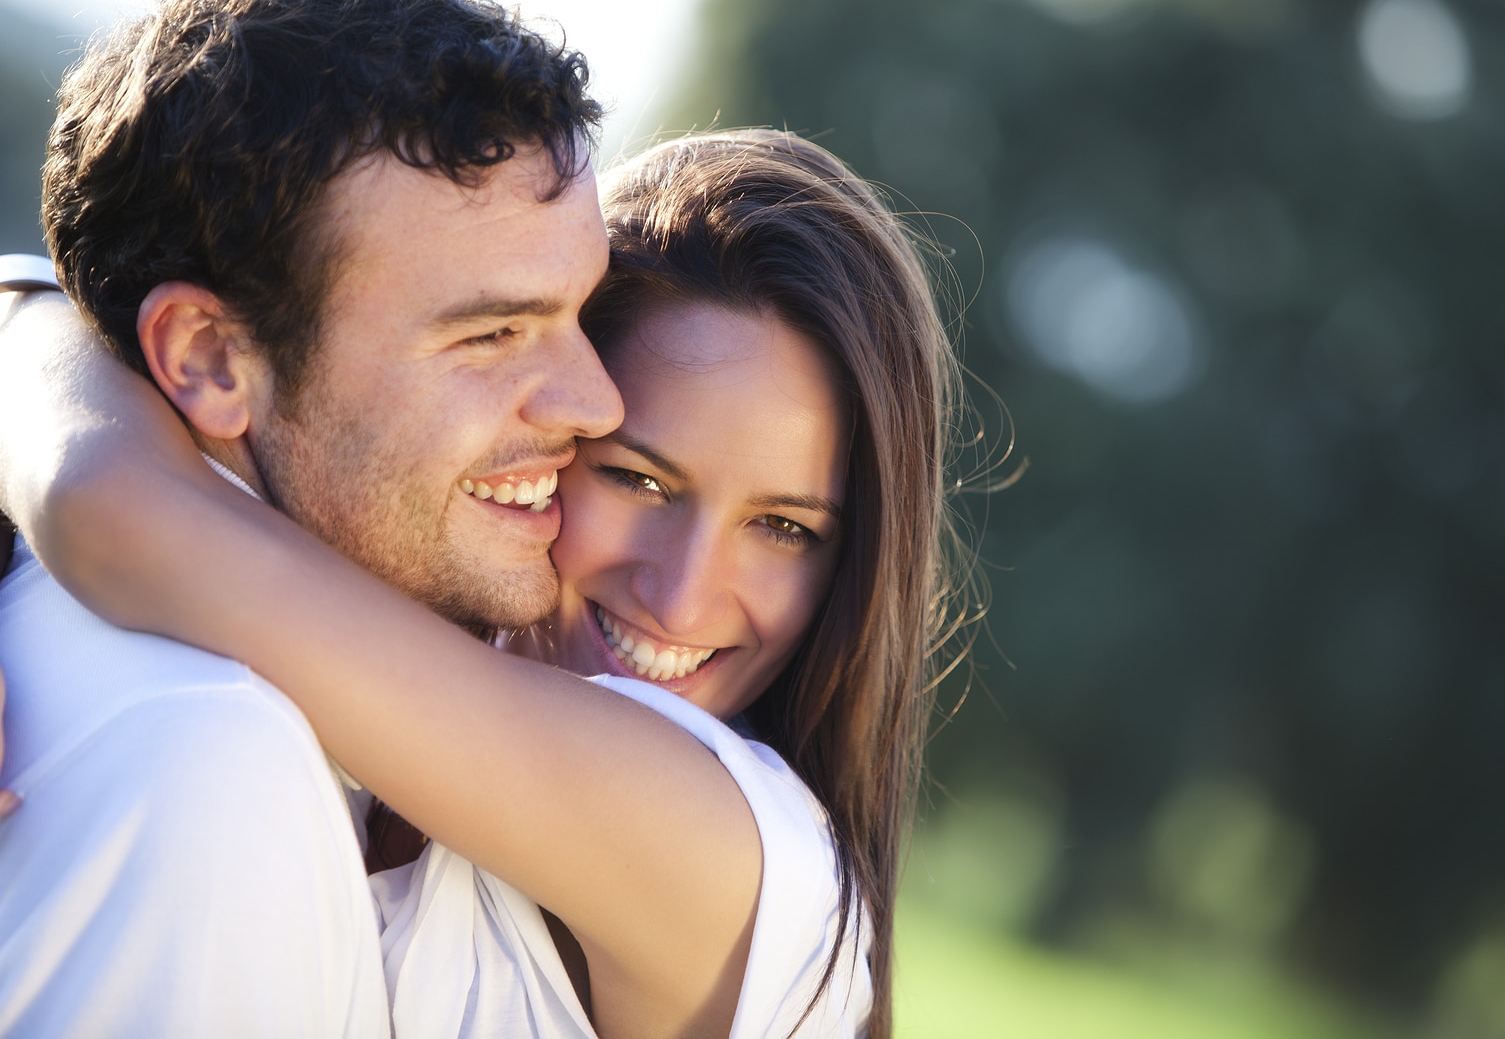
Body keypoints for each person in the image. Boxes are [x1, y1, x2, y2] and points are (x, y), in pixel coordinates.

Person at [1, 128, 968, 1037]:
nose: (680, 597)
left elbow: (114, 500)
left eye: (784, 528)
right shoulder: (366, 673)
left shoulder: (746, 863)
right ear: (546, 435)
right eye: (638, 478)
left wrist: (26, 316)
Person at [0, 0, 623, 1033]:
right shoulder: (208, 763)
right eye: (488, 334)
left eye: (582, 312)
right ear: (207, 357)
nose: (597, 403)